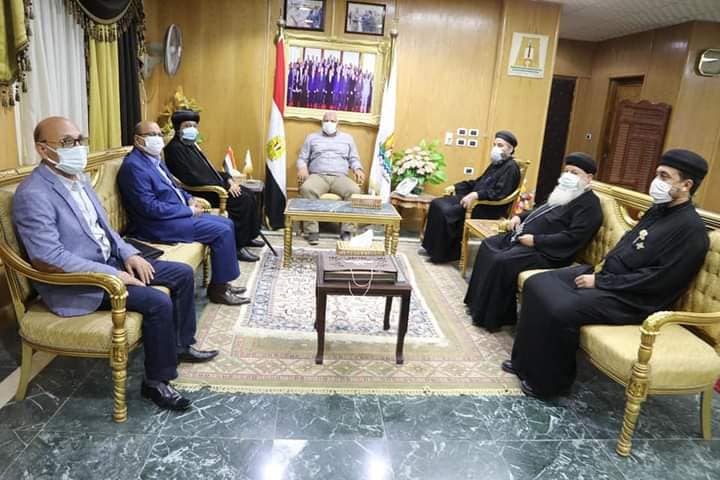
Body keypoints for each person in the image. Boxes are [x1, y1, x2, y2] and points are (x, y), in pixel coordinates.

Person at [12, 116, 220, 411]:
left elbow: (107, 230)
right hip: (80, 283)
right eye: (68, 142)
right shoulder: (33, 194)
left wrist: (129, 255)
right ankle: (156, 382)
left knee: (182, 274)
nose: (78, 148)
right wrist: (114, 274)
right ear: (43, 149)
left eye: (80, 140)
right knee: (158, 302)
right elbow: (49, 257)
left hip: (109, 260)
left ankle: (180, 346)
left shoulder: (79, 179)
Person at [504, 149, 710, 399]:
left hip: (633, 298)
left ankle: (548, 384)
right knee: (537, 283)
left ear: (686, 185)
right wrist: (599, 273)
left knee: (559, 308)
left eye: (665, 177)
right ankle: (524, 362)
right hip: (608, 277)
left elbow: (658, 280)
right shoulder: (658, 211)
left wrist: (601, 281)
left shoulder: (691, 230)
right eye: (657, 174)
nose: (656, 182)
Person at [464, 153, 603, 332]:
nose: (568, 176)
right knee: (488, 245)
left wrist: (536, 241)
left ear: (589, 178)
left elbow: (573, 237)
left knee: (501, 260)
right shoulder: (566, 192)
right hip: (525, 238)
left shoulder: (590, 205)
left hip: (548, 252)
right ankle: (476, 304)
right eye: (567, 171)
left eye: (574, 173)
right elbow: (540, 211)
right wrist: (519, 217)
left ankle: (494, 317)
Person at [118, 120, 249, 306]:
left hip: (173, 215)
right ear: (138, 140)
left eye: (159, 134)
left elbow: (174, 187)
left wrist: (189, 198)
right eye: (152, 135)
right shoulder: (134, 166)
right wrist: (188, 210)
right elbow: (149, 207)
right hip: (156, 225)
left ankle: (222, 282)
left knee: (226, 223)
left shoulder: (154, 160)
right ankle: (218, 291)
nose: (158, 139)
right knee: (222, 231)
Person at [163, 110, 262, 263]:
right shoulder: (175, 149)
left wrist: (228, 180)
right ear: (178, 128)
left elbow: (210, 171)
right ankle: (237, 247)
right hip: (204, 192)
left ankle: (247, 237)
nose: (192, 129)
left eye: (194, 126)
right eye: (187, 126)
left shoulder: (191, 145)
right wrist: (224, 186)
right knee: (241, 200)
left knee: (249, 194)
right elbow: (192, 178)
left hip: (215, 185)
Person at [420, 130, 521, 263]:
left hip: (487, 207)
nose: (496, 148)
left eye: (500, 145)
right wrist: (456, 187)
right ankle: (431, 248)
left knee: (447, 212)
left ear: (510, 149)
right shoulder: (496, 164)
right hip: (475, 199)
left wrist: (476, 194)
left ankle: (443, 255)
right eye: (495, 145)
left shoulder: (511, 168)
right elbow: (478, 182)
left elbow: (499, 193)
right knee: (437, 203)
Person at [297, 110, 365, 245]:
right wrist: (302, 168)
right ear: (322, 122)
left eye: (332, 121)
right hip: (318, 176)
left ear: (337, 123)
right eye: (326, 121)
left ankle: (347, 231)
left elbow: (354, 158)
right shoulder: (311, 138)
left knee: (354, 191)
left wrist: (358, 169)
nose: (329, 123)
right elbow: (302, 158)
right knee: (307, 188)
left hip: (340, 177)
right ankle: (312, 231)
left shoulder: (347, 139)